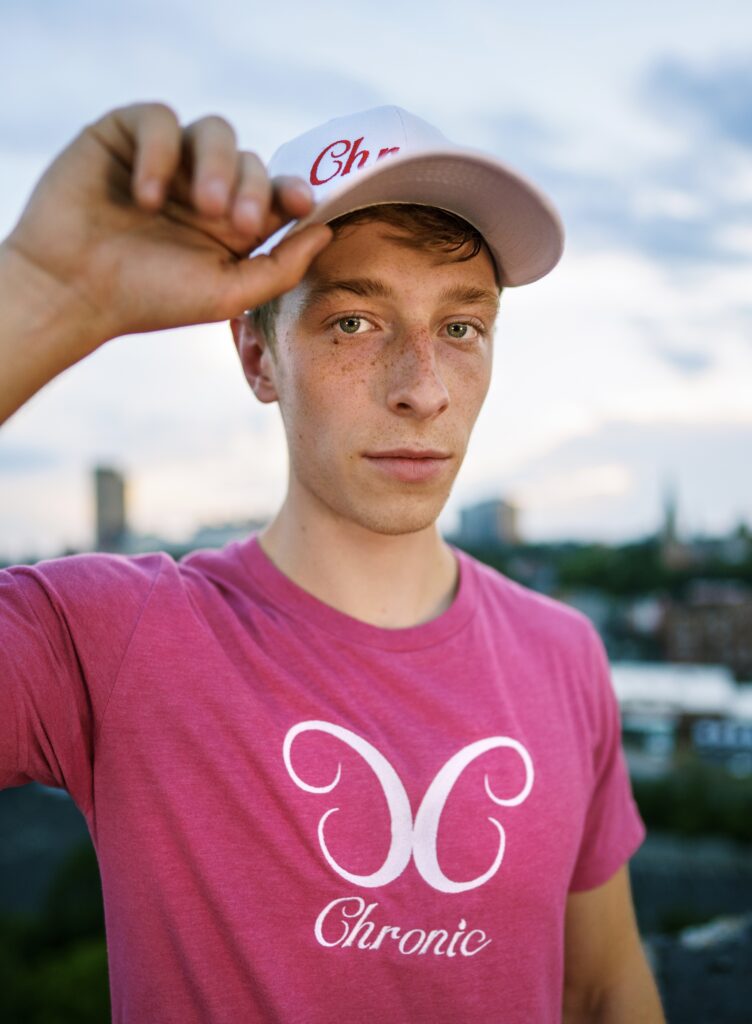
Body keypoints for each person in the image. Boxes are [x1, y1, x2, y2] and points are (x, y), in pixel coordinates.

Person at [0, 102, 665, 1023]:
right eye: (355, 322)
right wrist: (38, 299)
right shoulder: (106, 638)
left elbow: (601, 990)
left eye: (462, 329)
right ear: (257, 354)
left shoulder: (563, 653)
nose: (423, 389)